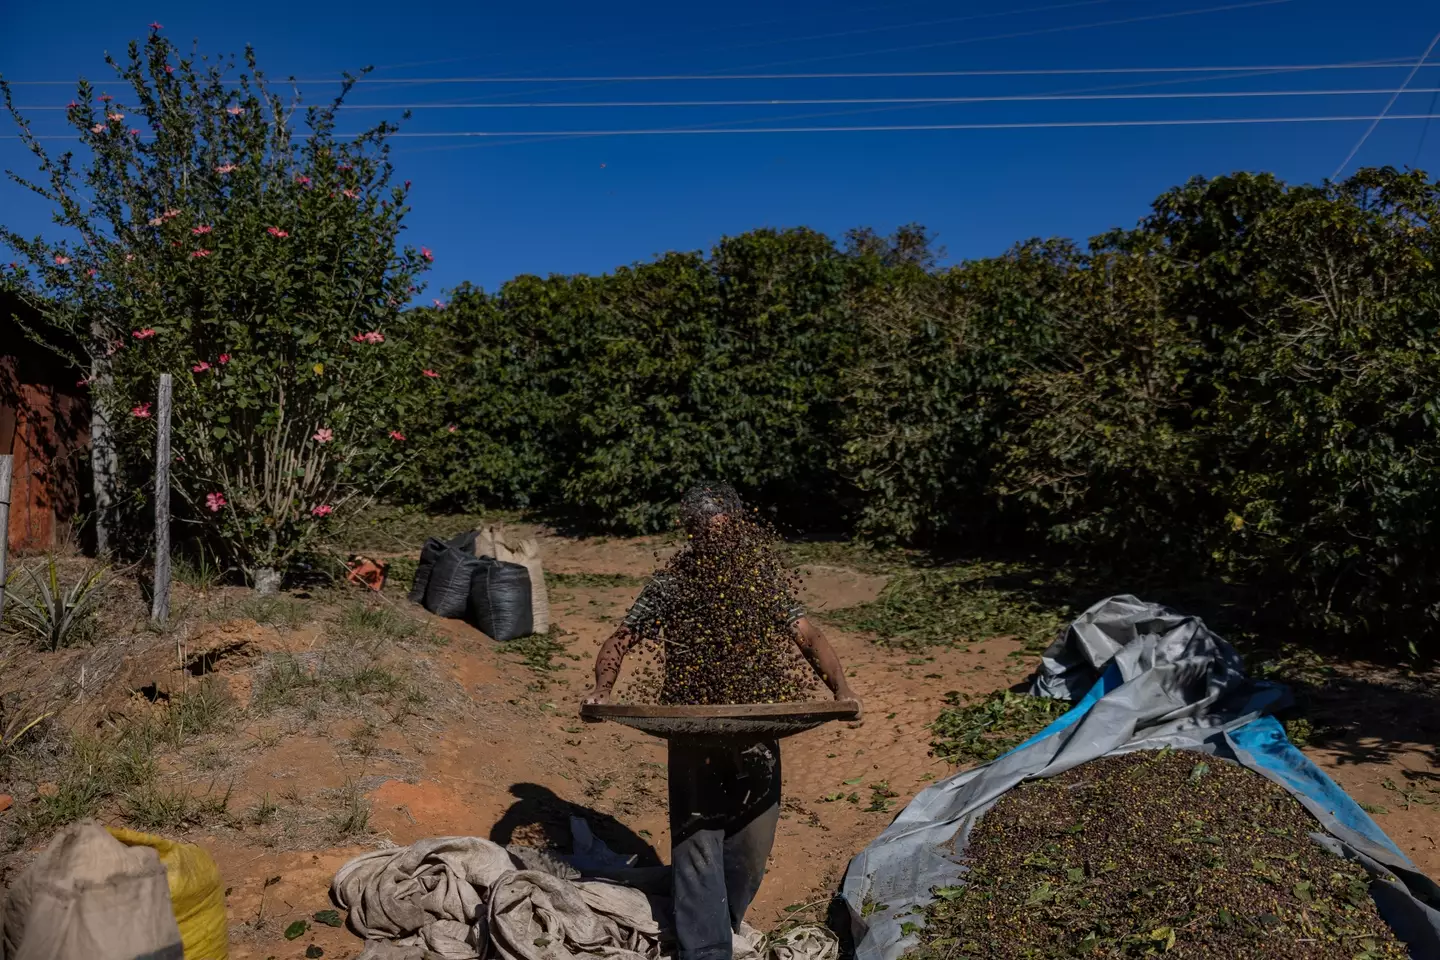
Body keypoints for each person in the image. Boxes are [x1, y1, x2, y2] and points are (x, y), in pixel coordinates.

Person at [584, 482, 860, 960]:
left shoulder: (759, 579)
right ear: (691, 534)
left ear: (737, 528)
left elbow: (808, 638)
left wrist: (842, 690)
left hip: (755, 728)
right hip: (693, 728)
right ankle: (706, 950)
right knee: (698, 842)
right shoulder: (673, 583)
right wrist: (601, 690)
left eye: (722, 530)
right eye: (703, 533)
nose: (714, 540)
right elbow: (622, 639)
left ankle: (727, 921)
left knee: (753, 845)